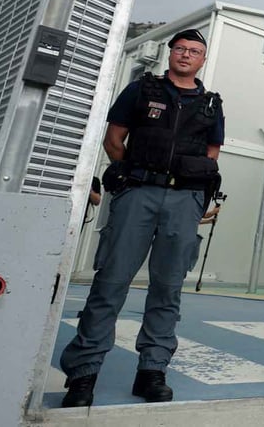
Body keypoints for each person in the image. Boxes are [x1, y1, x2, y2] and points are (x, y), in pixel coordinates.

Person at [59, 28, 225, 407]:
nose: (186, 55)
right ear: (171, 54)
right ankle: (84, 373)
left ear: (202, 59)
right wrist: (134, 177)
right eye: (180, 49)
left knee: (168, 288)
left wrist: (192, 199)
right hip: (139, 194)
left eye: (194, 51)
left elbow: (211, 155)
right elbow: (114, 140)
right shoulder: (140, 91)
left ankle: (152, 369)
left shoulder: (212, 105)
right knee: (111, 283)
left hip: (183, 200)